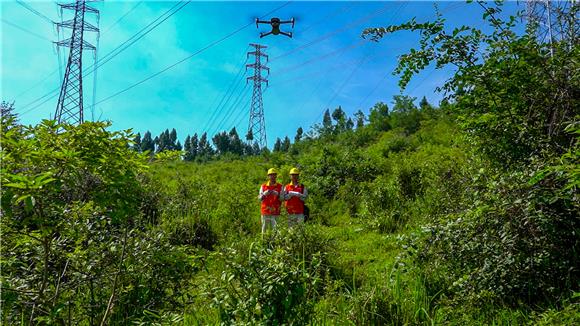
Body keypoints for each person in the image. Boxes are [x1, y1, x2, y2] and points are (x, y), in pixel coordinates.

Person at [258, 168, 284, 234]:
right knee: (264, 229)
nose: (272, 176)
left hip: (276, 211)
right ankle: (263, 243)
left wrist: (277, 194)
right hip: (265, 211)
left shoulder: (280, 186)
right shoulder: (263, 186)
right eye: (271, 175)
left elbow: (282, 199)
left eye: (274, 175)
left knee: (275, 230)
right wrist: (264, 194)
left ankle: (275, 243)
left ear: (276, 176)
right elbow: (259, 198)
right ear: (268, 176)